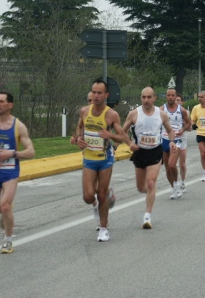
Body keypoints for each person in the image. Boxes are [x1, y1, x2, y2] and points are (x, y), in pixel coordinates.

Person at [0, 91, 35, 253]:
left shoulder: (18, 126)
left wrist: (13, 154)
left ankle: (8, 241)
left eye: (2, 101)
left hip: (10, 172)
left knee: (4, 205)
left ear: (10, 105)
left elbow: (31, 152)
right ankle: (5, 210)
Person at [75, 79, 128, 242]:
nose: (96, 96)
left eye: (99, 93)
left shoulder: (112, 114)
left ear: (106, 95)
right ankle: (100, 204)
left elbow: (123, 136)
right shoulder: (84, 111)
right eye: (94, 92)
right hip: (89, 158)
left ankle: (103, 228)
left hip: (105, 159)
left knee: (101, 194)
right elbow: (79, 127)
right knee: (88, 196)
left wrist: (109, 135)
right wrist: (78, 138)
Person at [123, 87, 176, 229]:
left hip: (155, 152)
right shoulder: (134, 114)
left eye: (149, 97)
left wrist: (171, 142)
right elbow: (122, 131)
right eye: (143, 97)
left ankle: (147, 216)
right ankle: (150, 193)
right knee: (141, 187)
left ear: (154, 98)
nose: (146, 100)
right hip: (140, 152)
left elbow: (170, 131)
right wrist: (129, 143)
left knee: (151, 182)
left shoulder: (162, 114)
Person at [160, 88, 191, 199]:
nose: (171, 97)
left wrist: (182, 130)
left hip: (177, 140)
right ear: (166, 96)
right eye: (169, 95)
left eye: (173, 95)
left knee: (172, 164)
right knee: (168, 168)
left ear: (175, 96)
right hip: (164, 139)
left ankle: (177, 183)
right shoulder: (162, 109)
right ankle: (173, 187)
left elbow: (188, 123)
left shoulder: (181, 110)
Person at [176, 93, 191, 191]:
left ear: (182, 102)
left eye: (178, 100)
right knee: (171, 164)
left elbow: (190, 128)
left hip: (182, 139)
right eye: (175, 100)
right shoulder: (167, 112)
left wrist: (184, 127)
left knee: (182, 163)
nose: (176, 102)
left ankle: (183, 182)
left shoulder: (185, 112)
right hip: (171, 139)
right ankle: (174, 183)